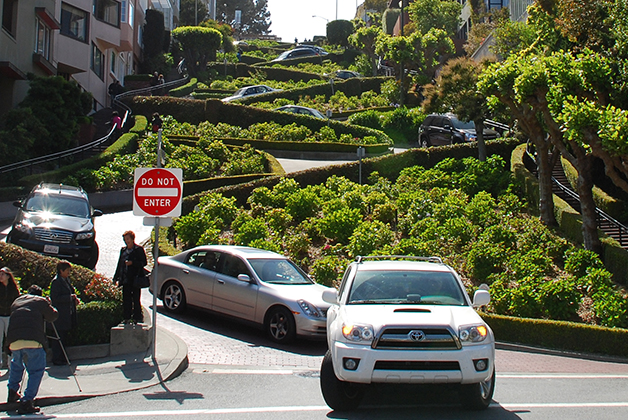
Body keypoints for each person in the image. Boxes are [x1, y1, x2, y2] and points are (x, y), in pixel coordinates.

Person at [7, 285, 59, 414]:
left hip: (14, 340)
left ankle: (12, 392)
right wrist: (49, 304)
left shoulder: (17, 301)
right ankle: (27, 400)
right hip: (33, 339)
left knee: (16, 365)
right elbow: (52, 316)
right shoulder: (41, 301)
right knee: (36, 370)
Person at [113, 231, 147, 324]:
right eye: (125, 239)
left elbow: (144, 262)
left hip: (135, 278)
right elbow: (120, 264)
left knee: (136, 298)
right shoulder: (123, 250)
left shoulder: (138, 249)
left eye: (128, 239)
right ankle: (127, 317)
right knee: (126, 299)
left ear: (132, 239)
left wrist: (133, 263)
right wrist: (116, 277)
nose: (126, 241)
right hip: (125, 279)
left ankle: (137, 317)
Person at [49, 261, 79, 366]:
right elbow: (55, 298)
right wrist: (69, 298)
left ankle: (62, 357)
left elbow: (70, 292)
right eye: (67, 271)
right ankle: (57, 358)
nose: (68, 273)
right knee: (58, 337)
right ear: (61, 271)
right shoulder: (56, 282)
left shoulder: (66, 280)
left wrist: (73, 298)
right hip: (60, 315)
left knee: (64, 337)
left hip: (67, 313)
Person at [0, 267, 20, 369]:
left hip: (9, 316)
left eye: (3, 274)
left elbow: (17, 301)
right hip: (0, 316)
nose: (1, 276)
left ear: (8, 276)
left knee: (10, 340)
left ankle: (10, 362)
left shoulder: (13, 289)